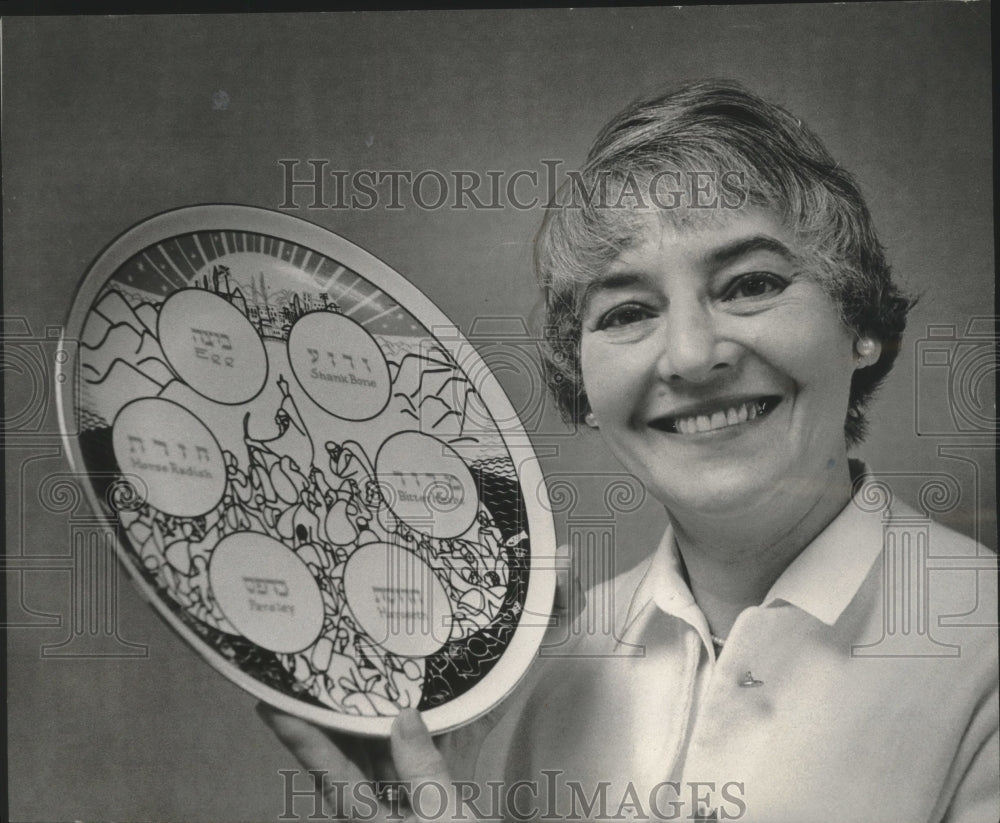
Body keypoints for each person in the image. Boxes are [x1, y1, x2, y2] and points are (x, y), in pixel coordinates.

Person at [261, 80, 998, 823]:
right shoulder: (533, 671)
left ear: (859, 320)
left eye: (751, 284)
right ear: (580, 377)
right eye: (628, 311)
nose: (689, 355)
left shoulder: (983, 642)